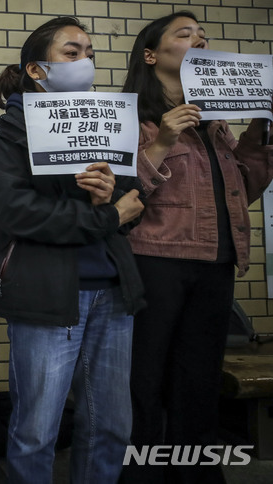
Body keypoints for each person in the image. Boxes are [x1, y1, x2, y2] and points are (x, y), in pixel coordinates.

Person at [0, 16, 146, 484]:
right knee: (36, 431)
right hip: (46, 296)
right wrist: (106, 216)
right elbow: (17, 213)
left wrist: (108, 196)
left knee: (111, 426)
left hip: (114, 293)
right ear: (37, 70)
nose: (85, 62)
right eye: (72, 53)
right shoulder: (10, 132)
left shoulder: (104, 121)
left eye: (90, 53)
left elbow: (134, 201)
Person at [119, 12, 273, 484]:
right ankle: (140, 477)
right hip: (156, 261)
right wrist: (164, 138)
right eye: (184, 35)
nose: (199, 41)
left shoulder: (215, 121)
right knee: (144, 380)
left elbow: (240, 189)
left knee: (199, 380)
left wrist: (259, 133)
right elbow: (122, 193)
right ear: (152, 55)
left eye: (203, 35)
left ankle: (196, 476)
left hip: (217, 262)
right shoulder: (133, 118)